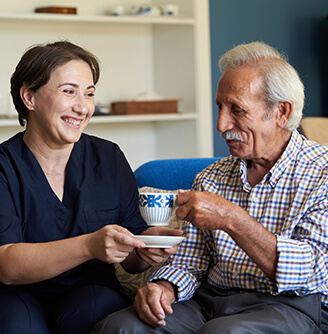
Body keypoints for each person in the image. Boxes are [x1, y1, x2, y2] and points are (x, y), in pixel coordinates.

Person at [94, 41, 328, 334]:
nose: (221, 124)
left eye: (237, 110)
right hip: (210, 301)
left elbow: (315, 270)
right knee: (120, 327)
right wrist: (164, 287)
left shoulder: (322, 173)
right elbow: (190, 262)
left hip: (290, 305)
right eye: (220, 107)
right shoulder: (211, 177)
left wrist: (232, 218)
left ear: (281, 112)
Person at [0, 40, 182, 334]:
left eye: (89, 93)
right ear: (28, 97)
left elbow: (130, 260)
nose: (82, 107)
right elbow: (6, 265)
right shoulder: (4, 167)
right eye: (69, 91)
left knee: (104, 316)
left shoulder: (109, 158)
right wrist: (89, 245)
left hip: (90, 292)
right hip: (17, 294)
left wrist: (145, 249)